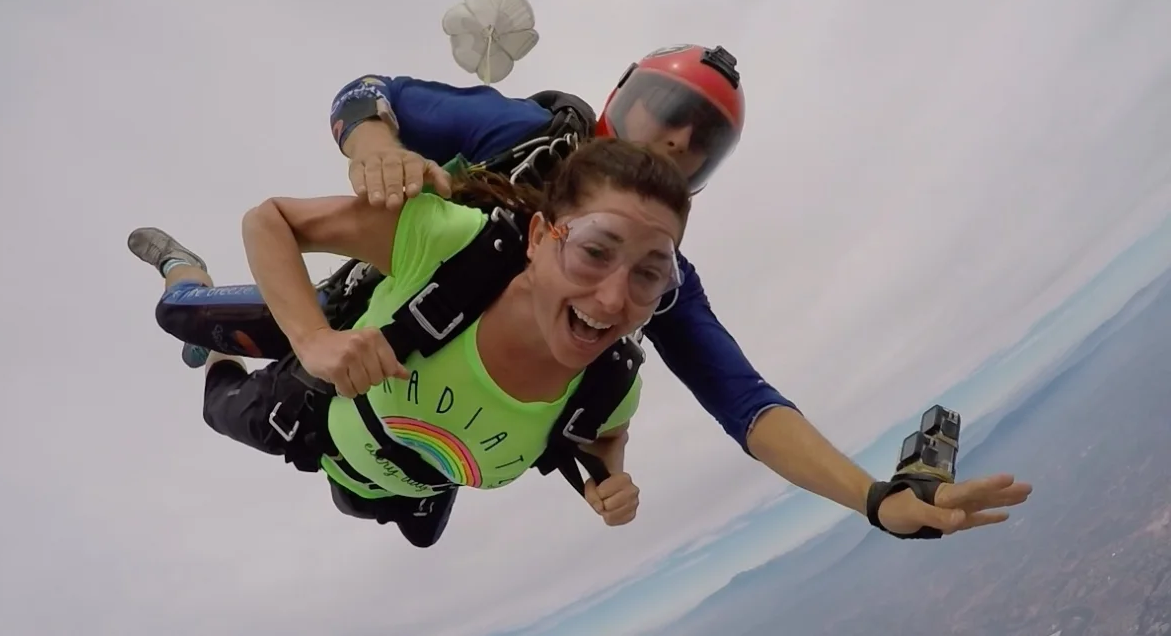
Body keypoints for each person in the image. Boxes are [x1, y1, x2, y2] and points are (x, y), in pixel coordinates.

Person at [137, 43, 1031, 543]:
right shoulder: (521, 135)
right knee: (194, 326)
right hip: (364, 305)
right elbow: (371, 91)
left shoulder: (654, 279)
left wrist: (873, 498)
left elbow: (750, 407)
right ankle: (188, 277)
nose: (670, 146)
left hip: (419, 403)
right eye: (662, 116)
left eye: (697, 144)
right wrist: (372, 142)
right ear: (617, 99)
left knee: (405, 508)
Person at [131, 138, 692, 547]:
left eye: (650, 273)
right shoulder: (450, 242)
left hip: (406, 488)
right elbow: (269, 220)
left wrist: (608, 477)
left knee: (420, 535)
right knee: (196, 360)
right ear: (540, 237)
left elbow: (607, 432)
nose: (613, 299)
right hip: (308, 414)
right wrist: (313, 340)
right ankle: (189, 280)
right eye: (594, 250)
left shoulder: (611, 382)